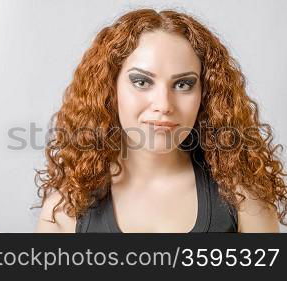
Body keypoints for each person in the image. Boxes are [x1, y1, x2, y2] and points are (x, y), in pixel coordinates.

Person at [33, 8, 287, 233]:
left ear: (205, 95)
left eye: (183, 84)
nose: (164, 105)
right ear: (110, 89)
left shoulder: (245, 199)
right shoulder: (64, 209)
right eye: (142, 82)